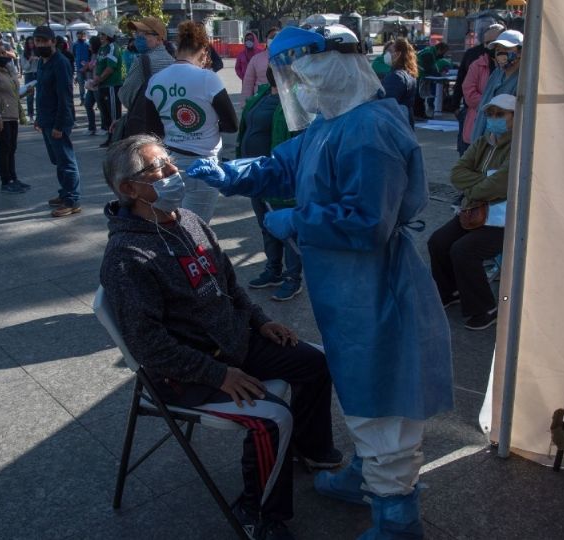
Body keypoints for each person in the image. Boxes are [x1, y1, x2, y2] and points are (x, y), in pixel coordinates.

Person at [187, 25, 453, 539]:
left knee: (386, 398)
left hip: (378, 289)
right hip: (348, 291)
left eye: (301, 73)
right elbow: (282, 165)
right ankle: (368, 474)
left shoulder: (370, 128)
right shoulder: (334, 123)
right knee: (361, 385)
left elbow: (368, 222)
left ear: (333, 64)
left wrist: (297, 222)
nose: (297, 86)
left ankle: (397, 517)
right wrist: (227, 174)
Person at [100, 134, 340, 540]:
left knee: (316, 363)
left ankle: (309, 448)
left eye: (170, 162)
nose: (174, 172)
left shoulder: (189, 220)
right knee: (272, 420)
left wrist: (261, 321)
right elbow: (147, 346)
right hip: (188, 374)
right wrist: (218, 375)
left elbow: (228, 285)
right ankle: (256, 513)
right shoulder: (128, 257)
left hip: (235, 342)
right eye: (158, 169)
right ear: (129, 189)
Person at [427, 94, 515, 331]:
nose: (493, 119)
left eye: (500, 114)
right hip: (473, 211)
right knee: (438, 241)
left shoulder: (519, 146)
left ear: (515, 118)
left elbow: (502, 182)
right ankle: (451, 291)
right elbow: (456, 173)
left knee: (463, 250)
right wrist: (484, 181)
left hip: (504, 220)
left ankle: (485, 308)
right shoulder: (482, 142)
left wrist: (475, 186)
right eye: (490, 114)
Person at [145, 20, 237, 224]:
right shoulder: (207, 78)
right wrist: (208, 126)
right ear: (204, 50)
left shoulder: (156, 80)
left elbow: (152, 127)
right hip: (204, 163)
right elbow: (232, 124)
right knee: (195, 230)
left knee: (171, 225)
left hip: (169, 163)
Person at [236, 66, 303, 301]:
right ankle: (273, 270)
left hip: (279, 177)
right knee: (266, 224)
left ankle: (293, 278)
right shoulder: (263, 94)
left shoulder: (296, 99)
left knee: (288, 231)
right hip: (256, 174)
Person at [33, 25, 82, 217]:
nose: (41, 44)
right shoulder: (42, 62)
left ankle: (72, 199)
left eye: (44, 40)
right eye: (37, 41)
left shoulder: (60, 62)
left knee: (66, 160)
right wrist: (38, 117)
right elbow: (42, 92)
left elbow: (65, 96)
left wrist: (60, 125)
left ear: (53, 41)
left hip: (58, 119)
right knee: (58, 160)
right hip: (46, 118)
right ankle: (64, 193)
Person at [0, 40, 29, 194]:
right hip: (0, 116)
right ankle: (5, 180)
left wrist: (25, 92)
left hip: (12, 114)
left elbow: (13, 92)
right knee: (3, 148)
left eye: (4, 52)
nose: (2, 56)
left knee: (11, 148)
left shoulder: (8, 70)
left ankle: (13, 178)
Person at [469, 30, 522, 142]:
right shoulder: (497, 74)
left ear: (520, 52)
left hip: (503, 145)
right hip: (480, 141)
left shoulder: (523, 80)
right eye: (498, 50)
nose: (501, 54)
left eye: (506, 49)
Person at [457, 25, 504, 154]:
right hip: (476, 126)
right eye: (486, 43)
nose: (490, 46)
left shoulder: (511, 68)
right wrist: (494, 104)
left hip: (503, 131)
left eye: (493, 42)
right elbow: (469, 94)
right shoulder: (477, 65)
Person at [119, 16, 174, 115]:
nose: (137, 37)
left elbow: (126, 96)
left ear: (158, 38)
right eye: (137, 33)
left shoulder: (142, 62)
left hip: (147, 121)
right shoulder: (173, 61)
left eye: (143, 33)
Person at [91, 24, 125, 138]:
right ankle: (110, 138)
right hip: (102, 85)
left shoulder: (113, 47)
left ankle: (117, 138)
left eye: (103, 34)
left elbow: (110, 68)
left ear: (108, 36)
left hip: (111, 85)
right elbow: (97, 64)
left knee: (114, 114)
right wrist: (96, 77)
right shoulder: (102, 48)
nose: (100, 36)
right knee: (105, 114)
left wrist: (98, 79)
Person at [381, 37, 418, 128]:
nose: (386, 54)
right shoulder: (408, 73)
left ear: (397, 54)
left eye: (390, 51)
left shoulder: (396, 77)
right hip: (406, 121)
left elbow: (388, 104)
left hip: (396, 123)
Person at [242, 27, 278, 98]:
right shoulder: (256, 59)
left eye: (277, 37)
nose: (274, 39)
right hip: (260, 99)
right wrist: (245, 104)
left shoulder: (289, 57)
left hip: (282, 101)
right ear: (266, 40)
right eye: (272, 37)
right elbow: (248, 84)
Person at [415, 41, 449, 119]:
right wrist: (439, 74)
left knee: (421, 96)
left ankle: (420, 114)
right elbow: (429, 69)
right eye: (443, 52)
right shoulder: (429, 53)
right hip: (419, 75)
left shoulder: (430, 51)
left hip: (420, 74)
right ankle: (418, 114)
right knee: (419, 96)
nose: (443, 54)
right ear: (439, 49)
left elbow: (434, 65)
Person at [81, 36, 101, 136]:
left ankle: (105, 127)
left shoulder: (99, 55)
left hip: (97, 84)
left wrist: (88, 66)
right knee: (88, 104)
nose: (89, 47)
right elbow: (90, 66)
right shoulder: (93, 55)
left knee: (102, 107)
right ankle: (91, 127)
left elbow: (94, 66)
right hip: (91, 85)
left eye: (90, 45)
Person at [20, 37, 39, 120]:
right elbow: (25, 68)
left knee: (40, 95)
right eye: (29, 43)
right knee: (30, 96)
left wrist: (38, 59)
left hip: (38, 74)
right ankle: (30, 115)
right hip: (29, 75)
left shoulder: (38, 52)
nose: (31, 45)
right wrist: (30, 60)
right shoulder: (24, 54)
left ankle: (40, 113)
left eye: (32, 43)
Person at [72, 30, 90, 105]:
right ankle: (82, 99)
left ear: (84, 35)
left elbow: (90, 54)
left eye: (81, 35)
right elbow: (74, 54)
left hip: (88, 67)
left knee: (89, 84)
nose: (80, 37)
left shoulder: (87, 44)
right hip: (79, 68)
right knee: (81, 85)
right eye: (78, 35)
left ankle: (90, 99)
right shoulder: (75, 44)